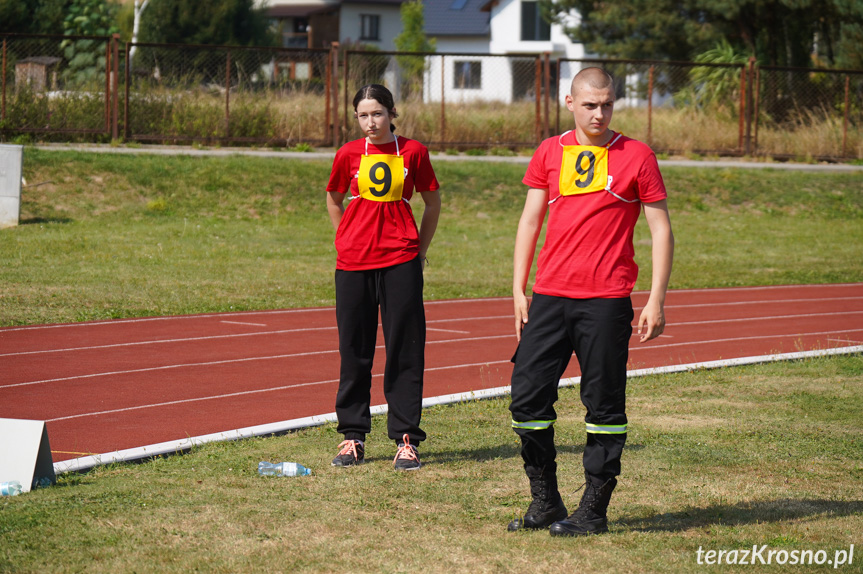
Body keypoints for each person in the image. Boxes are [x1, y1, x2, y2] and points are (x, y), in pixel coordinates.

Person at [506, 67, 674, 535]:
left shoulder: (638, 156)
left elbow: (661, 230)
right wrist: (519, 288)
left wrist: (656, 300)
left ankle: (594, 510)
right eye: (590, 105)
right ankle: (546, 502)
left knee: (603, 407)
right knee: (526, 398)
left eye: (607, 104)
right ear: (570, 103)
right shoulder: (549, 151)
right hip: (550, 297)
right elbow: (529, 221)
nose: (599, 113)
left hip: (605, 301)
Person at [325, 84, 441, 471]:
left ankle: (406, 440)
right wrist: (345, 237)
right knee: (354, 352)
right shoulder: (347, 154)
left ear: (392, 113)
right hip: (354, 264)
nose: (370, 122)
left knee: (405, 350)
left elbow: (432, 201)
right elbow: (334, 197)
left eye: (377, 113)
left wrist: (419, 250)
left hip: (400, 261)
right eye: (362, 115)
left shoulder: (413, 152)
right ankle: (352, 437)